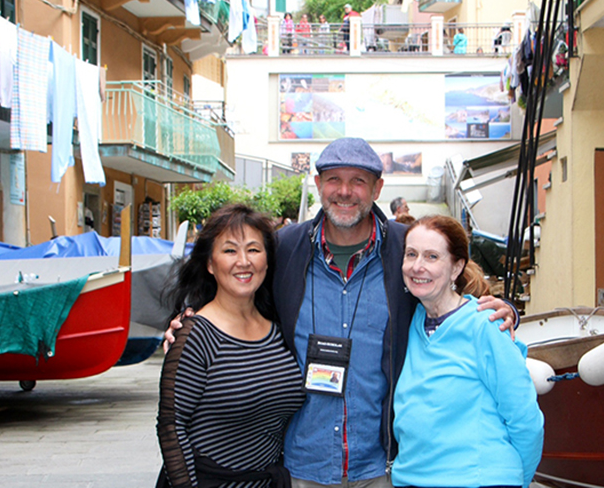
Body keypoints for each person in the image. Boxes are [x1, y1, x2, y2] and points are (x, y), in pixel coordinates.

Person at [166, 138, 517, 488]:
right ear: (319, 185)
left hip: (381, 466)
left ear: (377, 188)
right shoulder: (285, 247)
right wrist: (187, 322)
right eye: (334, 179)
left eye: (358, 181)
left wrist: (504, 310)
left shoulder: (405, 249)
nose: (345, 191)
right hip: (303, 464)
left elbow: (457, 288)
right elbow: (237, 283)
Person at [156, 204, 305, 488]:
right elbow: (171, 428)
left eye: (253, 249)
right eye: (229, 250)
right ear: (210, 264)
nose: (243, 261)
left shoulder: (279, 328)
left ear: (267, 260)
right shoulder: (196, 334)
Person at [392, 215, 543, 488]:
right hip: (412, 479)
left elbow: (525, 418)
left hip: (478, 480)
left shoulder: (484, 326)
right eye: (411, 254)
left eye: (432, 257)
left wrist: (518, 480)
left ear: (456, 267)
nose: (417, 266)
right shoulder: (411, 321)